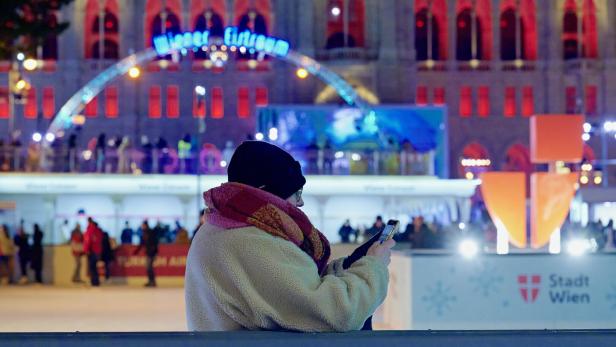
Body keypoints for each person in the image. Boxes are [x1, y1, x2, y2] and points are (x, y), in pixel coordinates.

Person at [185, 141, 394, 331]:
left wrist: (349, 266)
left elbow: (296, 291)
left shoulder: (223, 227)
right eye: (297, 193)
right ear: (270, 194)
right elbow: (337, 314)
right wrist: (373, 267)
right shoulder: (247, 241)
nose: (300, 203)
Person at [134, 220, 159, 287]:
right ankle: (151, 281)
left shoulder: (150, 232)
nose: (142, 227)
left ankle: (152, 282)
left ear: (145, 225)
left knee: (149, 267)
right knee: (148, 267)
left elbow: (155, 243)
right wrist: (136, 251)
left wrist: (154, 252)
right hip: (149, 253)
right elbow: (142, 243)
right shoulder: (145, 233)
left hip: (151, 253)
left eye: (143, 225)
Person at [83, 218, 103, 286]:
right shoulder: (98, 231)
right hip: (97, 251)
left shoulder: (90, 230)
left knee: (92, 267)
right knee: (94, 267)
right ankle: (96, 281)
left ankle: (94, 282)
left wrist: (86, 250)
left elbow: (88, 241)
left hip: (92, 251)